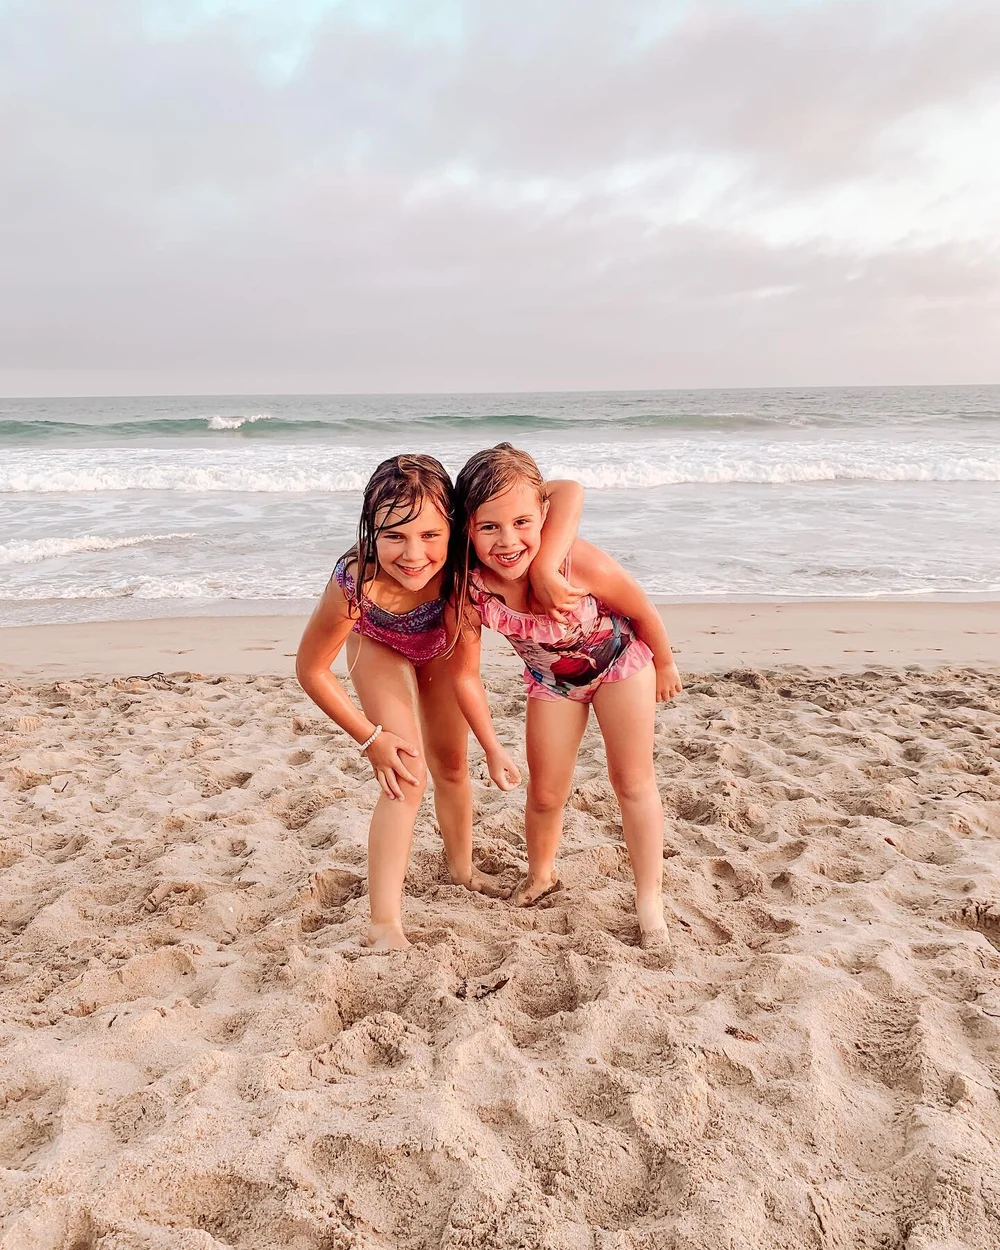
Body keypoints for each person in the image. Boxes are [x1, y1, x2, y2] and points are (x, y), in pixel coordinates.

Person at [296, 453, 583, 950]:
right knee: (407, 774)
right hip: (377, 645)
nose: (412, 554)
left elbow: (566, 491)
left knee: (451, 764)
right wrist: (371, 738)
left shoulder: (460, 566)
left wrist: (544, 571)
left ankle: (461, 869)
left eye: (430, 535)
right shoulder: (355, 583)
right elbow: (311, 669)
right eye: (394, 536)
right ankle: (384, 924)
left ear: (455, 527)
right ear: (371, 532)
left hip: (438, 648)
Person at [447, 443, 682, 948]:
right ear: (467, 528)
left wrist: (664, 661)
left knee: (632, 782)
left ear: (543, 517)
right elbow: (465, 675)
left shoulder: (576, 563)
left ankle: (649, 899)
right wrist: (491, 746)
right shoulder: (472, 589)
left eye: (522, 523)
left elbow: (640, 606)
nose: (508, 541)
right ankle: (542, 874)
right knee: (546, 792)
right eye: (489, 527)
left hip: (621, 663)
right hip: (552, 683)